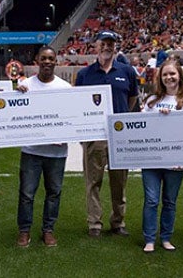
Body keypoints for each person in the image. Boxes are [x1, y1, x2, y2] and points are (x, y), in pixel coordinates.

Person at [75, 30, 138, 237]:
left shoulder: (127, 71)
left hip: (119, 135)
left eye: (110, 43)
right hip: (95, 135)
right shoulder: (85, 74)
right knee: (93, 181)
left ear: (115, 47)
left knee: (119, 181)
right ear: (95, 46)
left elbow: (132, 99)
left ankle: (118, 221)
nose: (106, 47)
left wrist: (120, 117)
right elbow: (78, 104)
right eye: (103, 43)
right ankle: (94, 222)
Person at [16, 46, 72, 248]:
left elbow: (72, 118)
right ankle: (24, 230)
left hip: (56, 152)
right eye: (44, 58)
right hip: (31, 150)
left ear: (56, 61)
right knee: (26, 194)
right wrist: (16, 93)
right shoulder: (25, 85)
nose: (47, 62)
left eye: (51, 58)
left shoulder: (65, 87)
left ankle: (48, 230)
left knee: (54, 192)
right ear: (37, 60)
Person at [141, 59, 183, 252]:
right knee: (151, 200)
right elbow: (143, 129)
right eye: (165, 74)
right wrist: (157, 117)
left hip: (176, 161)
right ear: (160, 78)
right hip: (152, 160)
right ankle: (149, 239)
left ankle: (166, 237)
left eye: (172, 73)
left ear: (179, 76)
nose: (169, 77)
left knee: (169, 201)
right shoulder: (151, 101)